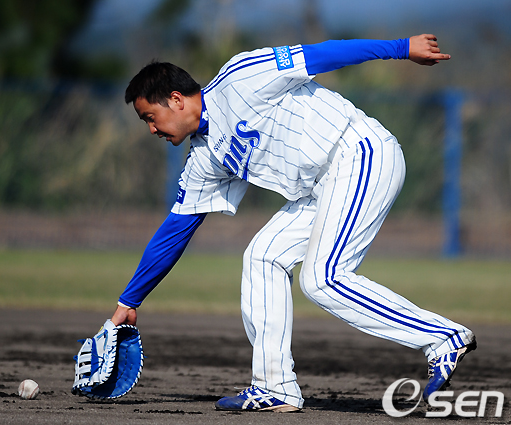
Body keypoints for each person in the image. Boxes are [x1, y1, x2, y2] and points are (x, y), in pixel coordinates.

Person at [112, 34, 476, 412]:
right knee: (263, 256)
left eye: (149, 117)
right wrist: (129, 301)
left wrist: (400, 48)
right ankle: (275, 387)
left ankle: (442, 338)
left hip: (358, 152)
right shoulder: (203, 159)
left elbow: (322, 55)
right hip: (321, 187)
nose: (151, 129)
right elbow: (176, 229)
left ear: (175, 99)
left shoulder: (239, 78)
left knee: (323, 279)